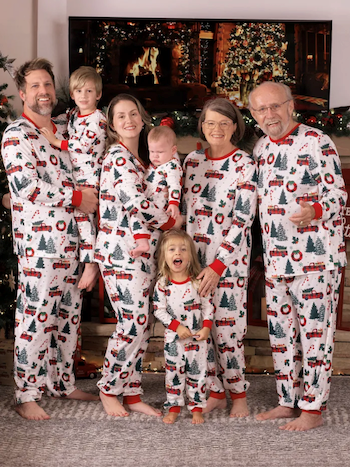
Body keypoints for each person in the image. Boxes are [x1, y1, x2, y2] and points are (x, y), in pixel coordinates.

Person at [1, 58, 99, 420]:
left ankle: (63, 383)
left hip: (74, 243)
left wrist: (91, 255)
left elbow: (89, 175)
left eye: (47, 85)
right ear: (23, 93)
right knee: (35, 318)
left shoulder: (65, 130)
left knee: (68, 318)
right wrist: (76, 197)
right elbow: (25, 187)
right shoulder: (15, 135)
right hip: (40, 249)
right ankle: (26, 393)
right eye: (35, 86)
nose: (43, 92)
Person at [249, 81, 347, 431]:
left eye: (275, 106)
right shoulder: (260, 147)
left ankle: (312, 409)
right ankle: (286, 401)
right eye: (261, 109)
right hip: (276, 261)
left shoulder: (317, 141)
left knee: (315, 335)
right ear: (253, 114)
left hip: (315, 261)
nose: (269, 114)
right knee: (281, 333)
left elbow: (338, 194)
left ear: (291, 106)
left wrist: (316, 210)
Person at [94, 94, 180, 417]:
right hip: (121, 252)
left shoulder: (141, 159)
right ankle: (108, 387)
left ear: (142, 119)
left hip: (141, 254)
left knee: (143, 325)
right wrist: (172, 220)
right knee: (133, 322)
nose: (129, 120)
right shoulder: (117, 157)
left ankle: (132, 392)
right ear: (113, 125)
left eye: (133, 114)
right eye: (121, 116)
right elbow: (138, 204)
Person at [182, 97, 258, 417]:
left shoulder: (245, 164)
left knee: (227, 332)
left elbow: (243, 219)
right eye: (210, 123)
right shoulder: (191, 162)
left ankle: (238, 395)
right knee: (200, 330)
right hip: (193, 262)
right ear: (202, 126)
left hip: (228, 264)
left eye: (224, 123)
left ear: (235, 128)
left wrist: (217, 265)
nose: (216, 129)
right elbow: (182, 211)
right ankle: (214, 390)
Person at [40, 66, 107, 291]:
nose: (84, 96)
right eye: (79, 91)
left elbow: (82, 145)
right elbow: (63, 121)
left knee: (84, 219)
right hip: (74, 176)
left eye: (89, 91)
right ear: (72, 94)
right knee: (77, 220)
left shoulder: (98, 119)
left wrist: (56, 141)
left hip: (90, 177)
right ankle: (81, 258)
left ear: (98, 94)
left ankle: (91, 263)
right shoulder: (74, 114)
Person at [153, 229, 214, 425]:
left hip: (197, 339)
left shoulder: (197, 282)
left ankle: (197, 408)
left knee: (197, 373)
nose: (177, 253)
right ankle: (174, 407)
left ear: (190, 256)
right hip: (174, 340)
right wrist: (176, 326)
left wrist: (206, 328)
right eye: (172, 249)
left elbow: (208, 306)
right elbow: (158, 310)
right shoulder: (163, 284)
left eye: (182, 249)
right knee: (174, 373)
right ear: (165, 256)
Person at [129, 125, 182, 258]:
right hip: (149, 204)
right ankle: (143, 243)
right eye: (152, 152)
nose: (155, 156)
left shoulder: (172, 166)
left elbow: (175, 184)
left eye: (160, 152)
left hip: (161, 206)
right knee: (135, 218)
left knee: (139, 218)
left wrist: (174, 202)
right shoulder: (154, 166)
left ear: (173, 150)